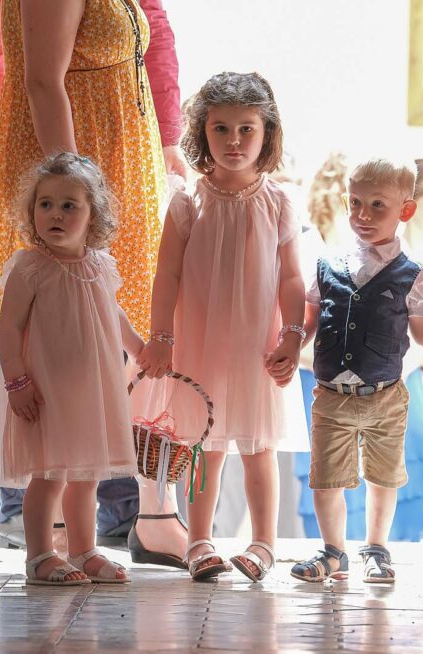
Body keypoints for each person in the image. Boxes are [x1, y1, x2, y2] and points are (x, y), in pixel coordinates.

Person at [0, 0, 188, 560]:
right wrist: (75, 188)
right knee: (57, 329)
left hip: (107, 166)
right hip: (78, 169)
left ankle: (119, 519)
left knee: (103, 319)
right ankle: (52, 533)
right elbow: (43, 82)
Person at [136, 72, 305, 582]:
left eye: (246, 129)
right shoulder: (188, 201)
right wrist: (161, 338)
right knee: (204, 445)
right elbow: (165, 275)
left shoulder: (279, 201)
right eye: (221, 129)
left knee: (258, 445)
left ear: (267, 133)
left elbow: (293, 276)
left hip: (257, 345)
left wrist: (293, 336)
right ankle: (199, 540)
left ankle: (264, 543)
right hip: (200, 343)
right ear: (202, 133)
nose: (234, 141)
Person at [290, 158, 423, 584]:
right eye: (356, 203)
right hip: (330, 395)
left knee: (383, 476)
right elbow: (308, 322)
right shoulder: (326, 265)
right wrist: (288, 347)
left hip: (384, 395)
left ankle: (377, 550)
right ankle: (332, 552)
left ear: (405, 210)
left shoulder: (411, 274)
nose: (363, 215)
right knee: (326, 479)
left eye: (377, 205)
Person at [0, 152, 143, 585]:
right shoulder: (29, 267)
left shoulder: (100, 264)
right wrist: (17, 382)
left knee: (87, 475)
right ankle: (40, 556)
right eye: (45, 204)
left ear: (92, 213)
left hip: (91, 390)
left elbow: (114, 315)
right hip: (44, 390)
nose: (54, 214)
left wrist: (139, 348)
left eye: (68, 205)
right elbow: (10, 328)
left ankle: (84, 550)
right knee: (50, 474)